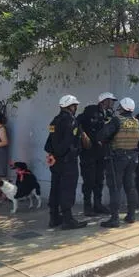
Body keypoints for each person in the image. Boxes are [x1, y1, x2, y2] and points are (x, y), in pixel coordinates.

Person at [96, 97, 139, 228]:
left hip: (118, 158)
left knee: (115, 187)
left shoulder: (116, 120)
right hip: (133, 157)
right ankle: (131, 215)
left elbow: (101, 135)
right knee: (130, 186)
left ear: (122, 108)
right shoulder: (136, 121)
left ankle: (114, 218)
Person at [45, 95, 88, 230]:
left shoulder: (54, 121)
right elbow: (68, 143)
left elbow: (49, 143)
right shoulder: (71, 121)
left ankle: (54, 217)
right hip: (67, 161)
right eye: (75, 106)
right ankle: (68, 219)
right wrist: (71, 152)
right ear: (71, 106)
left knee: (55, 188)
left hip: (55, 162)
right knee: (67, 190)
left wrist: (53, 155)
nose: (76, 108)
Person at [77, 92, 116, 216]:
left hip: (101, 152)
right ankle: (87, 207)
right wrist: (83, 136)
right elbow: (77, 122)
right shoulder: (90, 110)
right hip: (88, 152)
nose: (113, 103)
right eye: (111, 100)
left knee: (99, 179)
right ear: (104, 101)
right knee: (89, 180)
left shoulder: (110, 114)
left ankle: (98, 205)